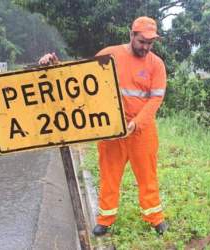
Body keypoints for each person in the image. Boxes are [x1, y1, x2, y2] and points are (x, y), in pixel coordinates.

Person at [39, 16, 168, 236]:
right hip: (111, 131)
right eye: (142, 41)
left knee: (148, 175)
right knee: (109, 175)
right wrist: (54, 66)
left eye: (150, 43)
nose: (146, 47)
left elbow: (155, 100)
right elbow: (79, 80)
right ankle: (105, 219)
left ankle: (155, 218)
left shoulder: (156, 64)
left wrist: (135, 123)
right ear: (131, 35)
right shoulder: (110, 55)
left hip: (141, 131)